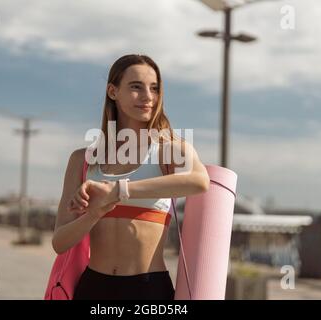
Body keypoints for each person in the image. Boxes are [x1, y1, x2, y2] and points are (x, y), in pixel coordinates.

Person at [52, 54, 210, 300]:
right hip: (93, 287)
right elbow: (59, 242)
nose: (148, 97)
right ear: (113, 92)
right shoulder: (82, 159)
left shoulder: (168, 148)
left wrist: (118, 191)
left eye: (154, 88)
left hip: (148, 288)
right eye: (136, 87)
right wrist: (94, 212)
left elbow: (199, 180)